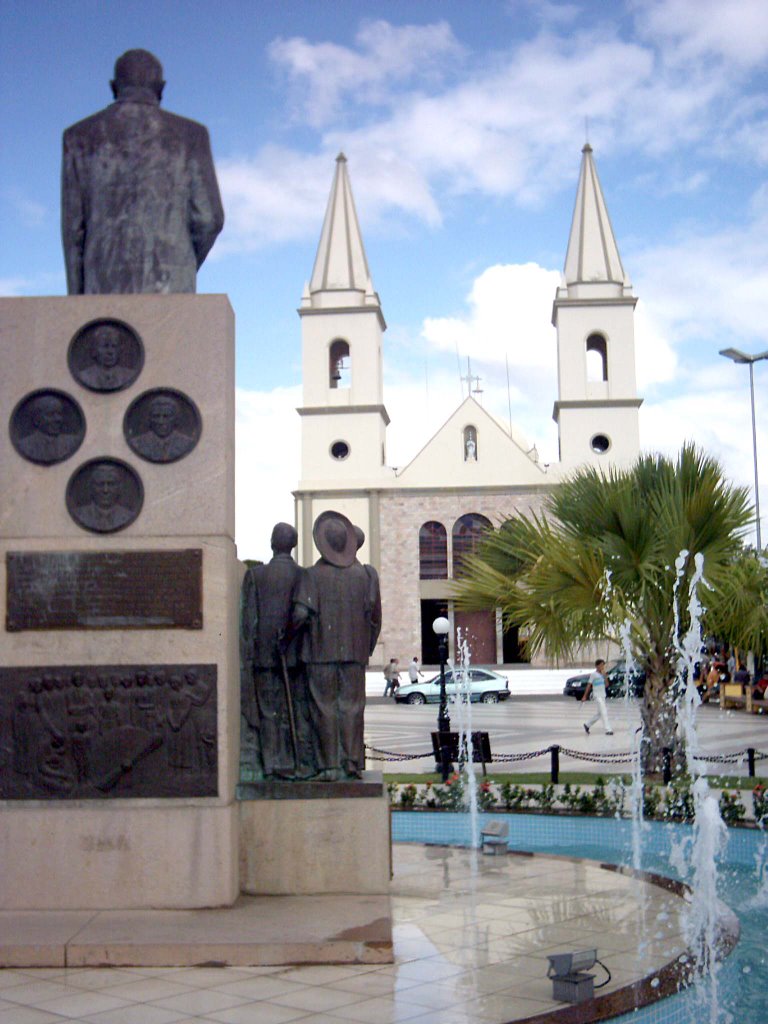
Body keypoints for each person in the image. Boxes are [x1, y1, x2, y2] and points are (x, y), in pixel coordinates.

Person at [62, 49, 224, 294]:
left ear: (113, 86)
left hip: (102, 283)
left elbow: (73, 229)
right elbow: (210, 220)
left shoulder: (78, 137)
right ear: (161, 87)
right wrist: (183, 264)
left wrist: (76, 299)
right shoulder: (191, 135)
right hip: (172, 280)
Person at [293, 511, 381, 779]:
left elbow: (299, 615)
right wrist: (365, 648)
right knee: (353, 707)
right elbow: (376, 619)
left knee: (324, 708)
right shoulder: (366, 575)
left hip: (320, 653)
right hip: (355, 654)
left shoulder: (311, 575)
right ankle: (352, 762)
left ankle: (330, 766)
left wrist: (288, 639)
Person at [240, 523, 306, 779]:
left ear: (272, 543)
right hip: (296, 658)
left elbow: (249, 621)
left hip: (264, 657)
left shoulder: (255, 576)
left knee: (269, 712)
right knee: (294, 711)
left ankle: (271, 763)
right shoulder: (303, 575)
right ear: (293, 545)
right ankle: (288, 761)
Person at [15, 395, 79, 464]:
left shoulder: (72, 442)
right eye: (50, 414)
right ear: (37, 420)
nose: (57, 419)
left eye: (59, 414)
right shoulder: (25, 446)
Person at [133, 395, 194, 462]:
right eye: (156, 416)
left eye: (166, 416)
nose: (161, 422)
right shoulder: (137, 444)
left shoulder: (187, 443)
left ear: (176, 419)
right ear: (149, 419)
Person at [75, 464, 135, 532]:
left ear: (119, 488)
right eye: (100, 484)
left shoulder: (128, 516)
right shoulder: (79, 515)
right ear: (91, 487)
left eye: (111, 484)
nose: (105, 490)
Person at [78, 325, 135, 390]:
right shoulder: (84, 377)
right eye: (105, 346)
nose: (110, 352)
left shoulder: (129, 376)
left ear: (119, 350)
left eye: (114, 346)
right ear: (94, 350)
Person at [582, 659, 613, 736]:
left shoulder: (603, 674)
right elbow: (589, 685)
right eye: (601, 665)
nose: (602, 667)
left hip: (603, 695)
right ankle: (608, 729)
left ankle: (587, 724)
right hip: (597, 695)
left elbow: (607, 685)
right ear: (597, 666)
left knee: (600, 713)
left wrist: (604, 676)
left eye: (603, 665)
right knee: (604, 711)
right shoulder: (593, 675)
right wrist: (584, 696)